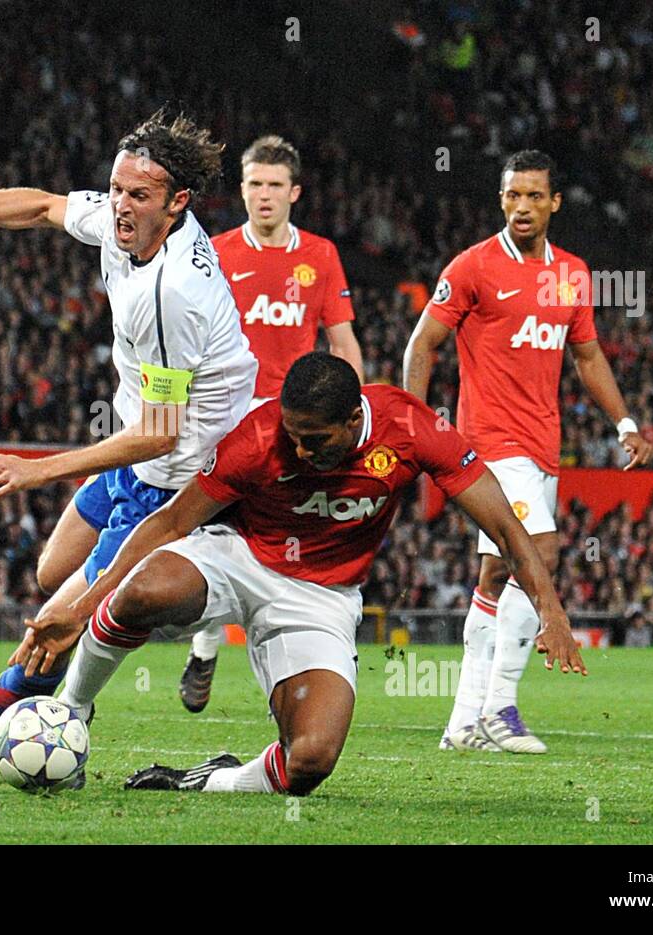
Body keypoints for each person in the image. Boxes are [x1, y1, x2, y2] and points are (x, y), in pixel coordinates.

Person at [0, 109, 258, 782]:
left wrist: (37, 469)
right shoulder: (132, 223)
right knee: (50, 569)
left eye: (139, 196)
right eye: (117, 190)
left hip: (171, 476)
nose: (120, 206)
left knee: (52, 619)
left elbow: (162, 430)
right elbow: (40, 206)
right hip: (140, 445)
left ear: (178, 202)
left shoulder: (173, 290)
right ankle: (101, 629)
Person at [11, 353, 585, 795]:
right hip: (238, 557)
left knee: (308, 763)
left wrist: (551, 612)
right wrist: (78, 610)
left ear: (355, 417)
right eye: (295, 436)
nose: (303, 451)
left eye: (317, 439)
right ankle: (74, 711)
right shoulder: (259, 440)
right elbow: (168, 524)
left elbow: (508, 528)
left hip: (321, 595)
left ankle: (210, 780)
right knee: (145, 589)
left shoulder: (411, 429)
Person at [402, 150, 653, 754]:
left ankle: (463, 722)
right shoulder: (473, 267)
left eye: (534, 196)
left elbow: (588, 357)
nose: (522, 206)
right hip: (488, 445)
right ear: (501, 199)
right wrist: (415, 426)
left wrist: (624, 421)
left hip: (543, 449)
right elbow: (422, 344)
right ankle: (501, 708)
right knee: (537, 550)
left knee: (494, 575)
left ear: (554, 203)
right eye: (513, 195)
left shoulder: (571, 273)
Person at [178, 134, 364, 713]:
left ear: (295, 192)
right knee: (215, 530)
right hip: (226, 418)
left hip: (296, 426)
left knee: (280, 540)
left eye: (275, 185)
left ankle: (283, 654)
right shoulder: (215, 252)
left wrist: (354, 410)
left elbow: (343, 342)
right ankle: (208, 647)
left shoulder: (321, 257)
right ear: (242, 188)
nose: (264, 195)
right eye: (254, 184)